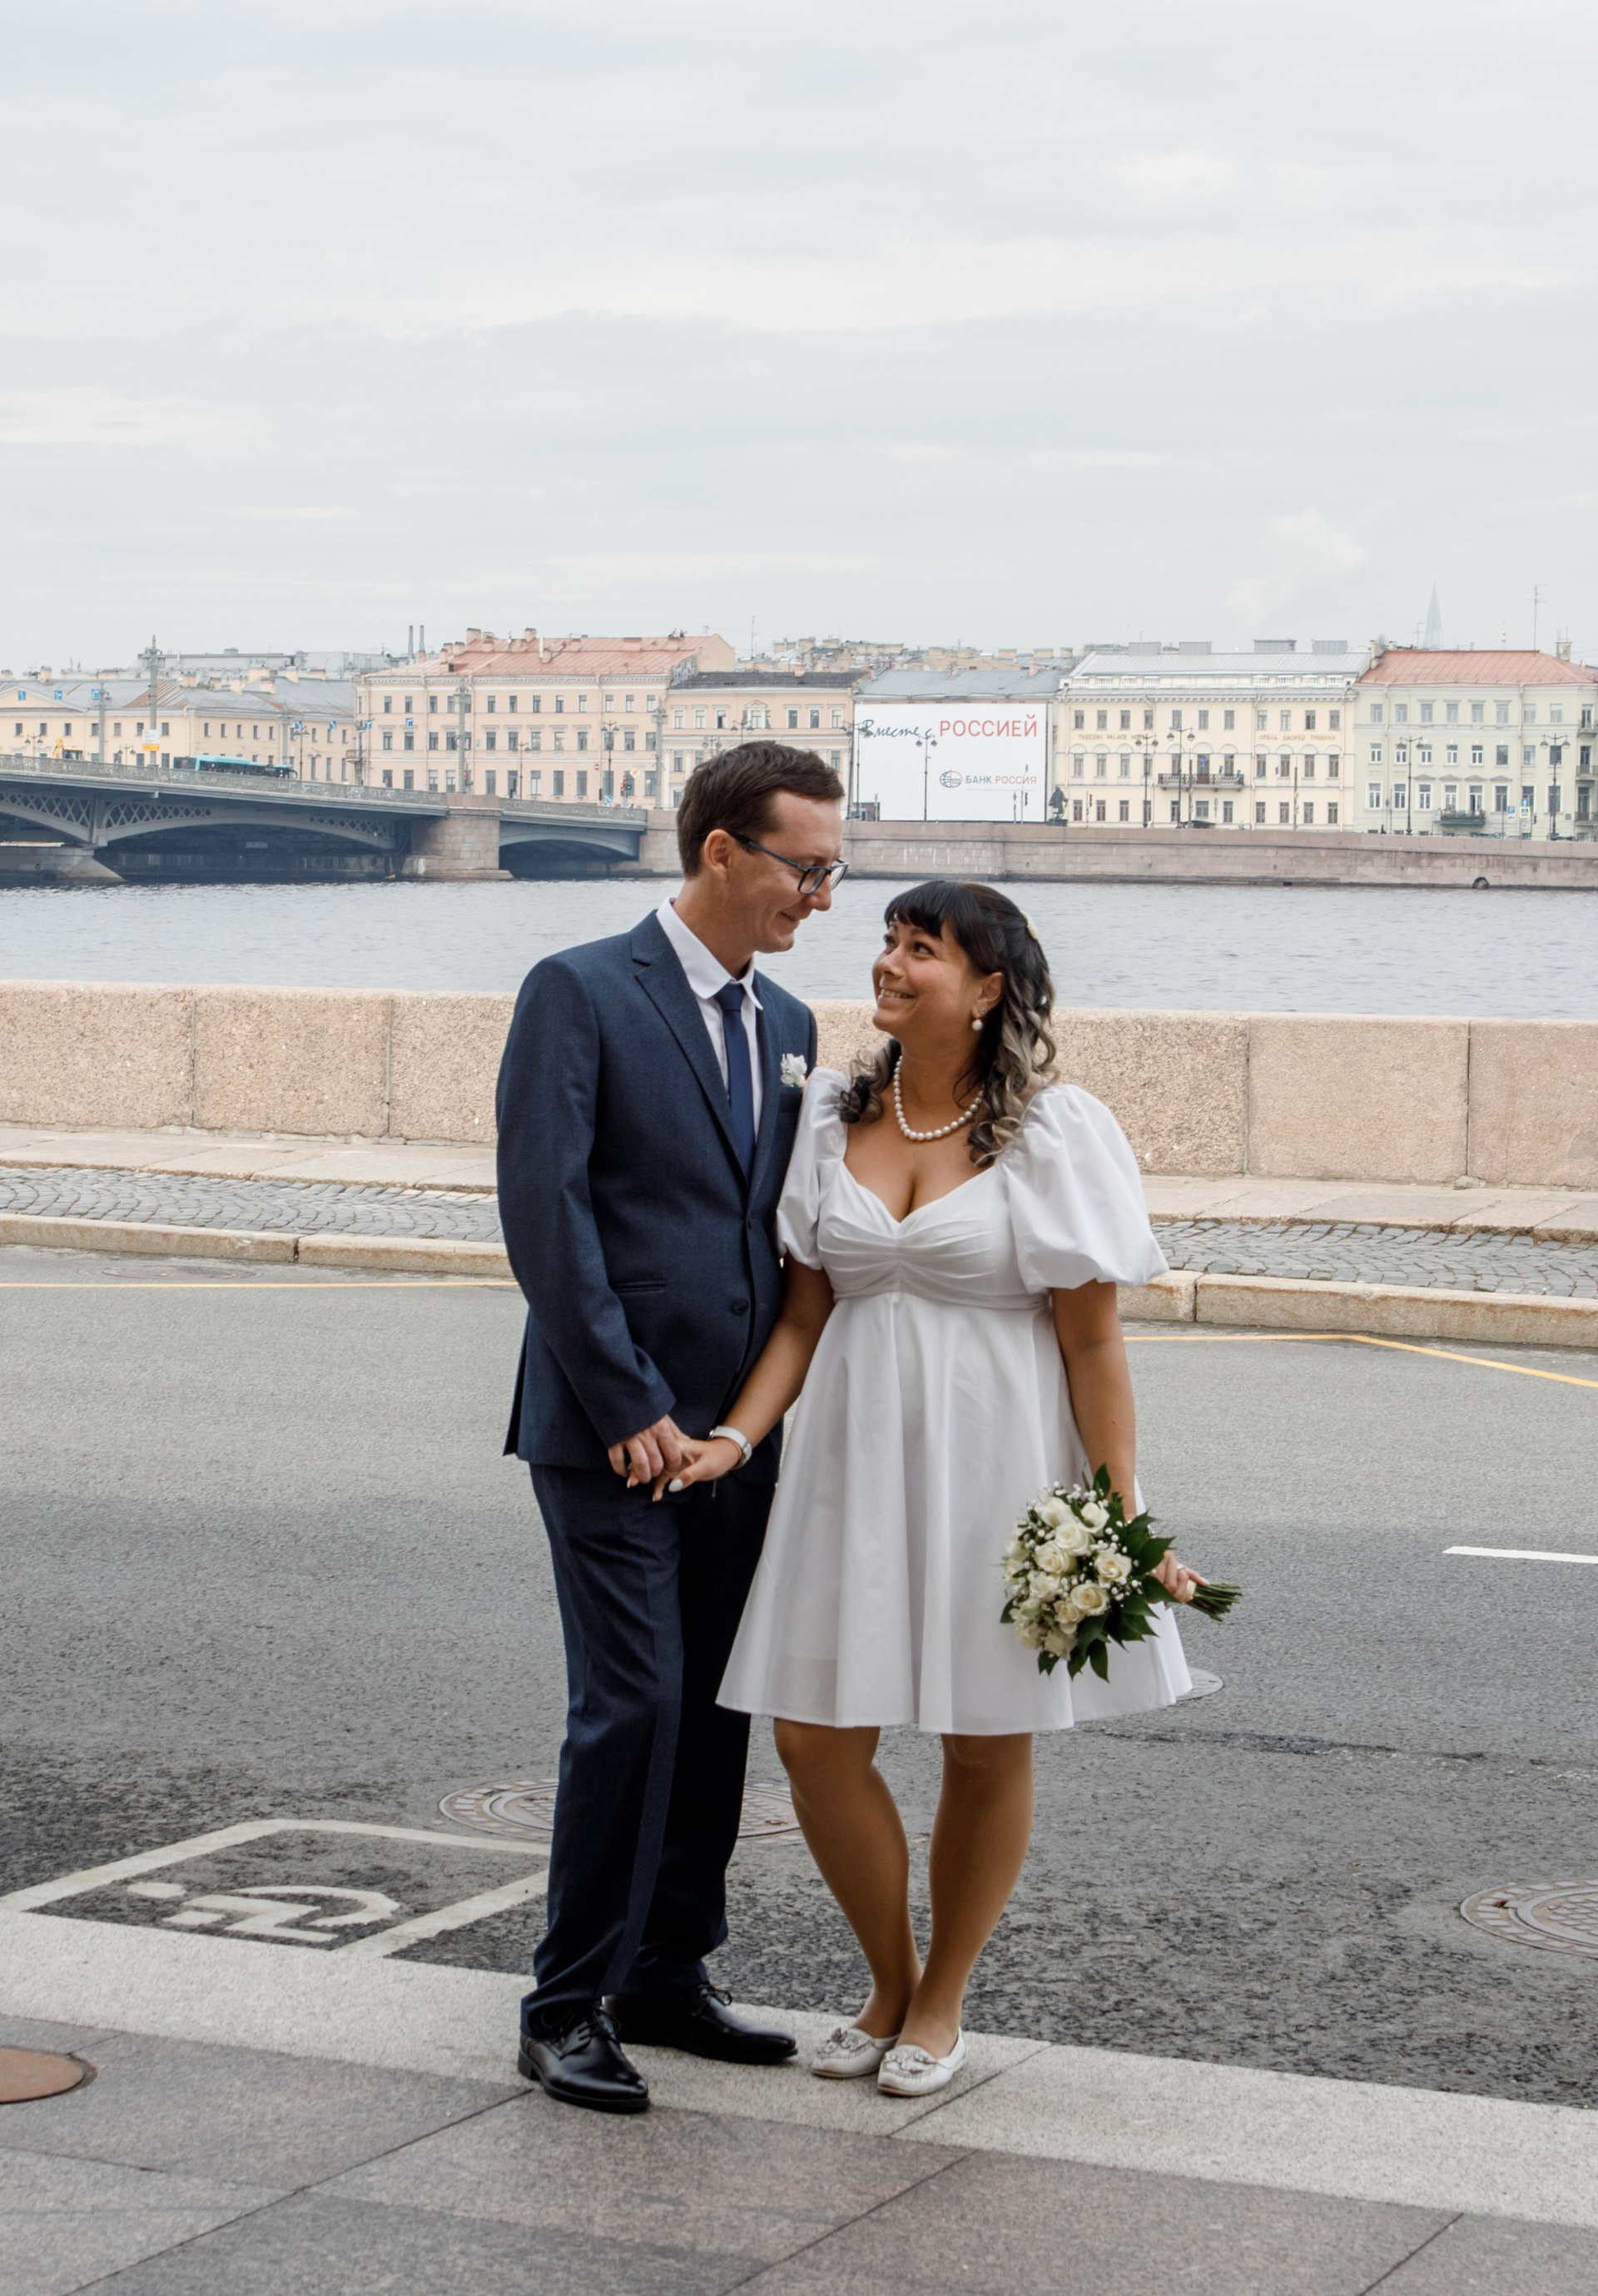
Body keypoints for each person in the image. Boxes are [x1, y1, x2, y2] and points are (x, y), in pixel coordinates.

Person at [662, 880, 1203, 2098]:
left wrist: (1119, 1511)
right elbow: (804, 1318)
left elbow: (1092, 1342)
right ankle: (889, 1979)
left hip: (996, 1460)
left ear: (989, 988)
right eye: (890, 942)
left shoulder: (1054, 1132)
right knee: (812, 1739)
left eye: (924, 950)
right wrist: (736, 1440)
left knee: (982, 1740)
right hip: (848, 1465)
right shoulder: (829, 1115)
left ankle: (942, 2000)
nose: (891, 965)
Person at [495, 741, 846, 2113]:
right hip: (611, 1430)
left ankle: (666, 1970)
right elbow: (549, 1214)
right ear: (720, 851)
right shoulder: (580, 989)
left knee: (712, 1706)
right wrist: (629, 1401)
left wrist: (746, 1425)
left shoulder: (792, 1023)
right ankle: (564, 2003)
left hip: (734, 1439)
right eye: (806, 867)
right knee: (633, 1705)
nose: (823, 894)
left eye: (835, 869)